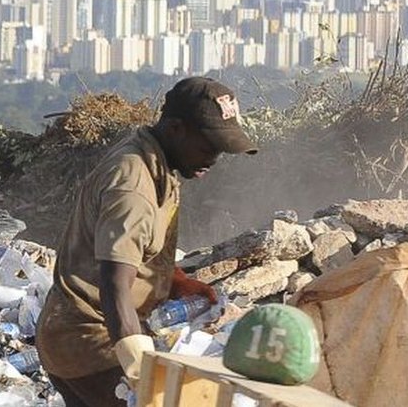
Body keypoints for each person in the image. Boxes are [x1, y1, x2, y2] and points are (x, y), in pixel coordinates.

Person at [36, 77, 257, 407]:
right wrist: (141, 371)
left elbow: (134, 251)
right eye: (209, 146)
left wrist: (175, 281)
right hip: (89, 341)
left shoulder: (158, 163)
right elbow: (115, 285)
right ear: (176, 129)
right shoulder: (134, 185)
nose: (214, 158)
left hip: (80, 333)